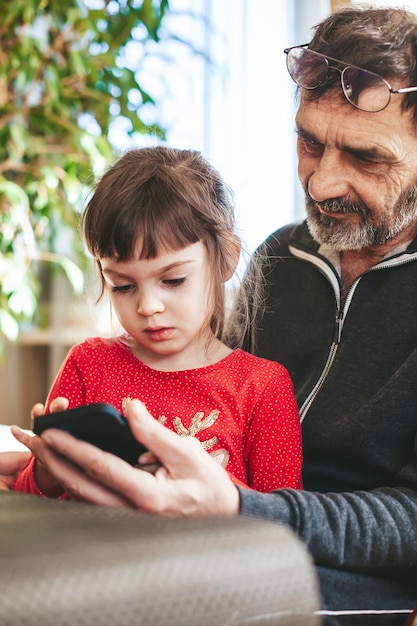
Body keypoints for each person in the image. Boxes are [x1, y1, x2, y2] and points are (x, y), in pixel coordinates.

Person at [6, 4, 417, 624]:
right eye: (309, 141)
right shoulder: (284, 255)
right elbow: (201, 383)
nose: (323, 183)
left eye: (366, 158)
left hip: (325, 587)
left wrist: (239, 509)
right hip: (193, 544)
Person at [10, 146, 303, 498]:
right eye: (123, 286)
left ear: (225, 260)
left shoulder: (261, 387)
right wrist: (46, 468)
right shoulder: (88, 365)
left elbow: (284, 520)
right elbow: (32, 500)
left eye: (173, 280)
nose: (148, 306)